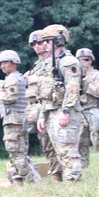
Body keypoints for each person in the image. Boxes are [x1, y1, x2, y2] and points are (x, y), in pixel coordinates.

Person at [30, 24, 85, 182]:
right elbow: (46, 93)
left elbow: (72, 89)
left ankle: (73, 185)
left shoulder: (68, 62)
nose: (44, 44)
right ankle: (69, 183)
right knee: (60, 152)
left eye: (48, 40)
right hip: (52, 111)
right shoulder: (52, 64)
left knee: (68, 152)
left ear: (59, 40)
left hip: (64, 112)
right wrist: (42, 116)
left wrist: (66, 111)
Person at [0, 50, 40, 183]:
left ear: (14, 63)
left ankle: (34, 181)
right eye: (0, 63)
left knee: (16, 153)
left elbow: (11, 98)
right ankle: (19, 180)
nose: (2, 66)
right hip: (20, 120)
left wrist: (0, 93)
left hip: (14, 120)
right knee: (21, 152)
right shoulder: (19, 78)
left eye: (5, 62)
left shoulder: (12, 79)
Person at [24, 30, 58, 171]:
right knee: (46, 144)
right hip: (37, 109)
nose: (36, 46)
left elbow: (59, 82)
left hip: (51, 106)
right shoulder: (37, 64)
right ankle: (57, 172)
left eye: (38, 42)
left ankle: (62, 174)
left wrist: (38, 79)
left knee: (56, 143)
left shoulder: (54, 61)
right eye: (33, 44)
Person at [76, 48, 99, 168]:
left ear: (91, 60)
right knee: (80, 142)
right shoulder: (74, 77)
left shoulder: (97, 75)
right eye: (80, 60)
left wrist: (85, 83)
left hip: (94, 111)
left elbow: (98, 92)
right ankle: (83, 166)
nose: (83, 63)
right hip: (80, 112)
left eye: (86, 60)